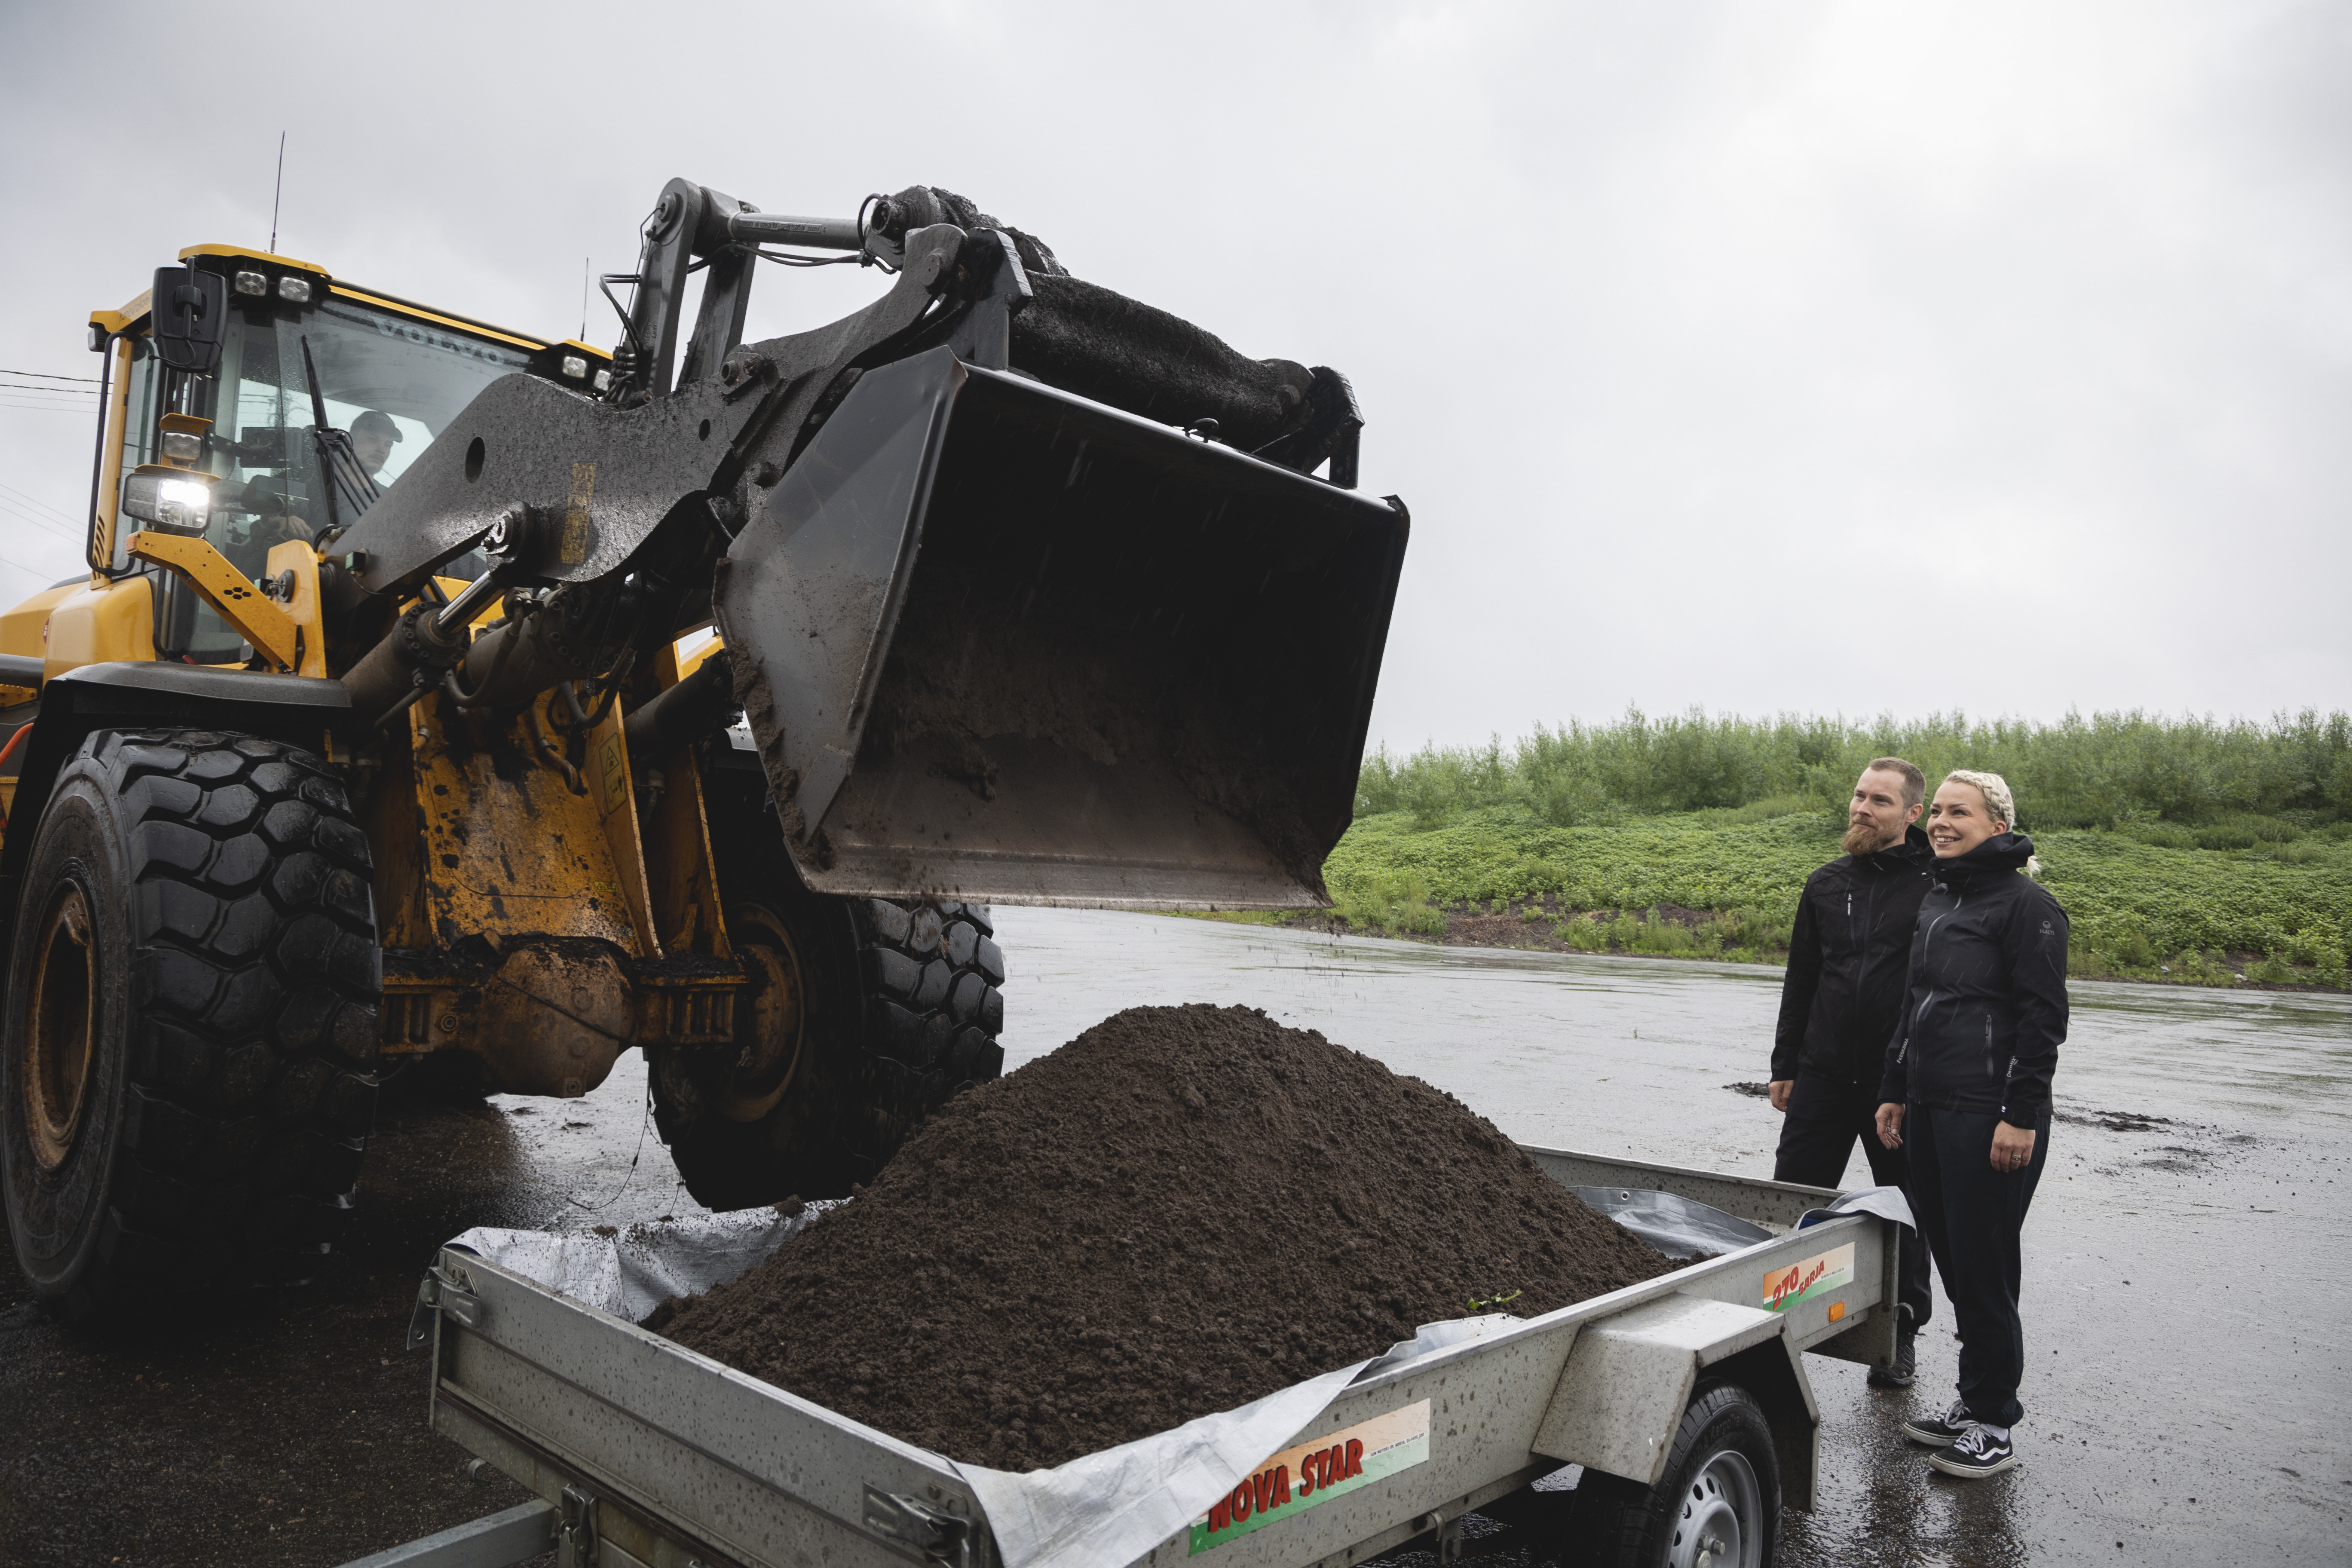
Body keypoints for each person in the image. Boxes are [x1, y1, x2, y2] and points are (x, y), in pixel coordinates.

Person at [1876, 770, 2066, 1480]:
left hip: (1990, 1115)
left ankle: (1994, 1423)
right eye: (1942, 811)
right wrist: (1896, 1087)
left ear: (1997, 825)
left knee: (1984, 1267)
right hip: (1929, 1106)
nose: (1945, 822)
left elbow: (2043, 1020)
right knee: (1956, 1264)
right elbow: (1913, 1001)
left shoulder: (2027, 905)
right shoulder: (1938, 897)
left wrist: (2020, 1114)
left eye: (1962, 812)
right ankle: (1970, 1400)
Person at [1768, 757, 1939, 1387]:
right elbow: (1802, 980)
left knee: (1904, 1209)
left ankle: (1900, 1332)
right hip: (1822, 1074)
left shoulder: (1936, 884)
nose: (1863, 809)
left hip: (1899, 1083)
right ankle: (1775, 1327)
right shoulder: (1825, 882)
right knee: (1794, 1203)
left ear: (1912, 814)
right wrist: (1785, 1065)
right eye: (1860, 796)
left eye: (1881, 801)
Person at [350, 409, 402, 481]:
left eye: (388, 445)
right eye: (373, 439)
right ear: (351, 440)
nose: (382, 450)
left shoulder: (388, 492)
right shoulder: (330, 481)